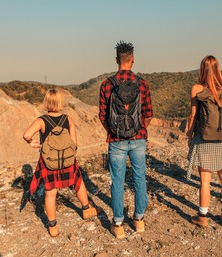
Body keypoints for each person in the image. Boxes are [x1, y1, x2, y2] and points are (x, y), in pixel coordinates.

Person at [23, 89, 101, 237]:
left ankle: (52, 226)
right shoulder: (68, 119)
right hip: (67, 160)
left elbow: (26, 135)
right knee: (78, 183)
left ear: (46, 102)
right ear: (60, 102)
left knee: (51, 193)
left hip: (49, 161)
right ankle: (86, 210)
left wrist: (32, 142)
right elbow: (74, 144)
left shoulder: (41, 121)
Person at [99, 41, 153, 239]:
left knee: (117, 181)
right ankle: (139, 220)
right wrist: (140, 129)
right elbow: (148, 113)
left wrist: (113, 131)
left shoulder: (107, 85)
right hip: (138, 138)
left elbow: (102, 116)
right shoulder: (142, 84)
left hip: (116, 140)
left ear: (116, 60)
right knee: (139, 178)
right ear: (133, 59)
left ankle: (118, 223)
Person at [187, 55, 222, 228]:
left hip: (205, 138)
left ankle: (203, 216)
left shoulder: (197, 89)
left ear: (202, 69)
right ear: (217, 69)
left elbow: (193, 115)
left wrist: (190, 135)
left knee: (205, 180)